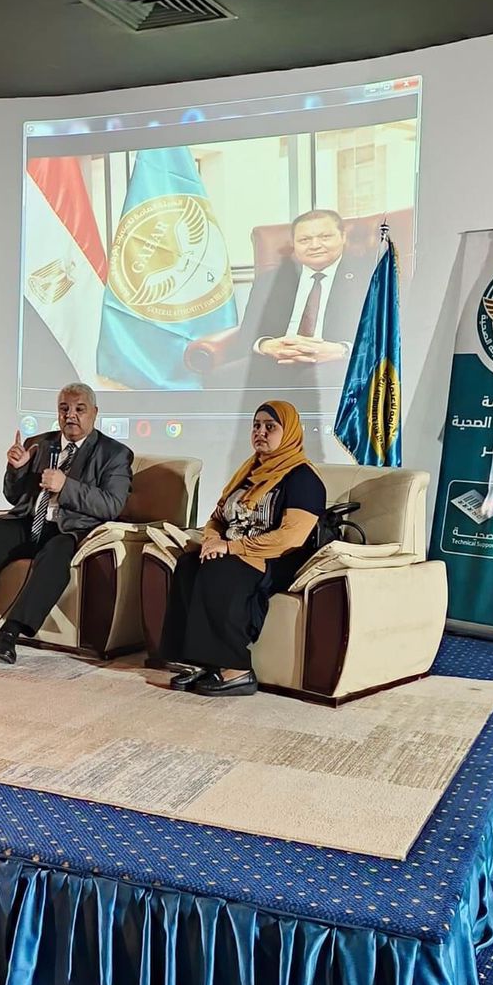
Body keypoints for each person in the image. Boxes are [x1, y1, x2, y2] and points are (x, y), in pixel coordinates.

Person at [0, 382, 133, 664]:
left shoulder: (114, 453)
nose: (70, 415)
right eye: (64, 409)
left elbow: (111, 504)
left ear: (94, 413)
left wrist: (66, 486)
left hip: (70, 530)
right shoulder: (39, 443)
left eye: (79, 409)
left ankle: (9, 633)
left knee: (56, 554)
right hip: (29, 522)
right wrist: (18, 469)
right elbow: (14, 497)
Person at [160, 400, 325, 696]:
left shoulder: (303, 478)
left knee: (220, 570)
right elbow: (217, 518)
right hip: (235, 550)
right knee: (188, 564)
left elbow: (291, 538)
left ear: (289, 432)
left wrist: (231, 547)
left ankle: (236, 669)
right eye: (256, 426)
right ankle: (197, 661)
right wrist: (212, 540)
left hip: (275, 558)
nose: (260, 432)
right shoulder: (248, 472)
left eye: (270, 427)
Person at [225, 210, 367, 385]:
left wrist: (343, 350)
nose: (315, 245)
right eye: (304, 240)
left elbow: (385, 334)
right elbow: (248, 332)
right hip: (277, 359)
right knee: (225, 376)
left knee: (311, 380)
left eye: (325, 237)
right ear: (293, 244)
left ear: (343, 237)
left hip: (336, 361)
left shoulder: (369, 277)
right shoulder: (269, 281)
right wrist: (266, 345)